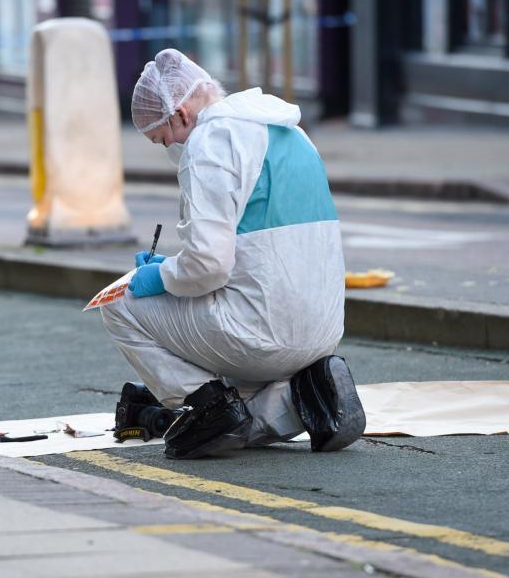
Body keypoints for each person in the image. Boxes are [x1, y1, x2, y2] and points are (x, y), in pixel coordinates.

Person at [100, 49, 365, 459]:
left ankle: (210, 408)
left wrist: (160, 276)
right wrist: (173, 268)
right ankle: (302, 398)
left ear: (181, 115)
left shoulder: (210, 140)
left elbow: (207, 266)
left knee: (118, 304)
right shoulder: (290, 132)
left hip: (262, 334)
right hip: (323, 333)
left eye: (162, 137)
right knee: (240, 399)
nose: (167, 146)